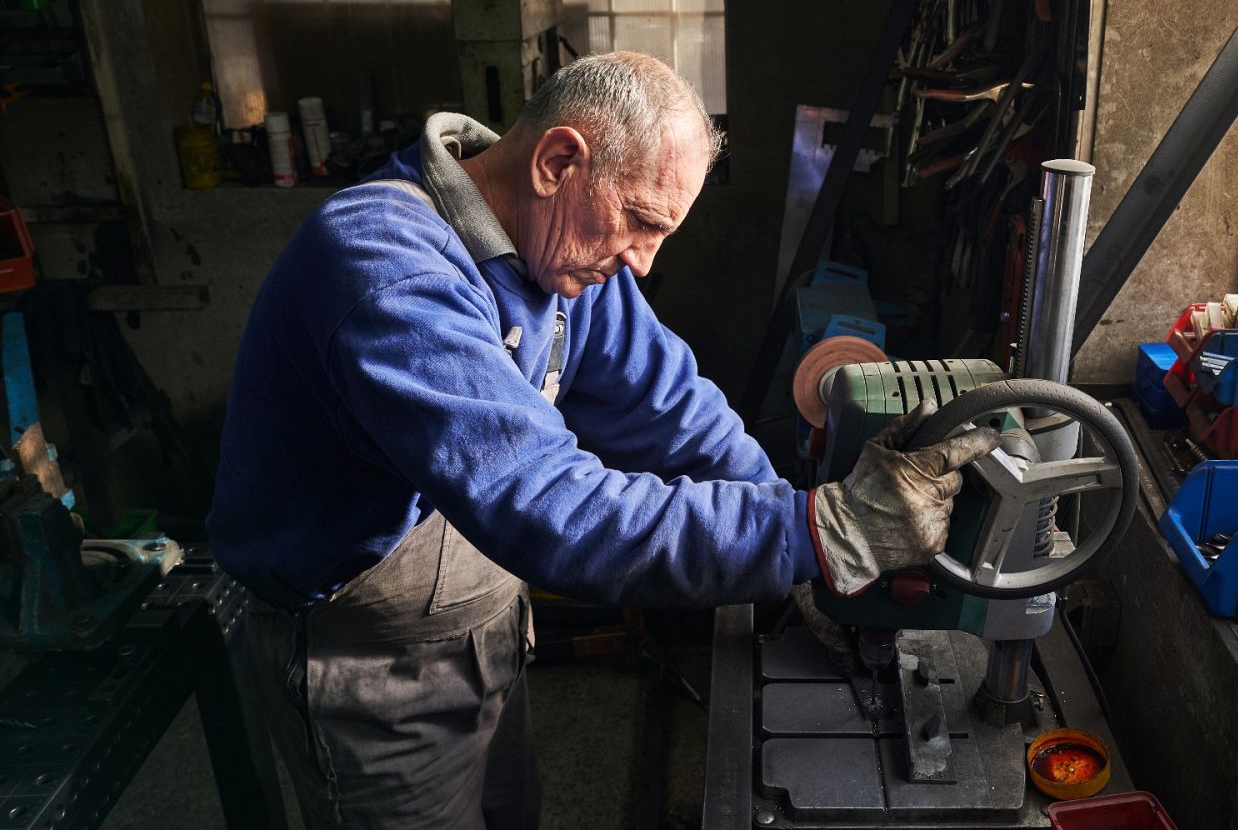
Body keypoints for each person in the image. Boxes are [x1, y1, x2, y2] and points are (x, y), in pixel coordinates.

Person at [208, 51, 997, 829]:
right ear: (558, 161)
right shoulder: (388, 272)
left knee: (512, 814)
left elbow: (670, 408)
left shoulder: (555, 246)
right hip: (373, 670)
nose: (644, 264)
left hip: (484, 629)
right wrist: (815, 533)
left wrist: (793, 534)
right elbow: (554, 509)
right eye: (642, 222)